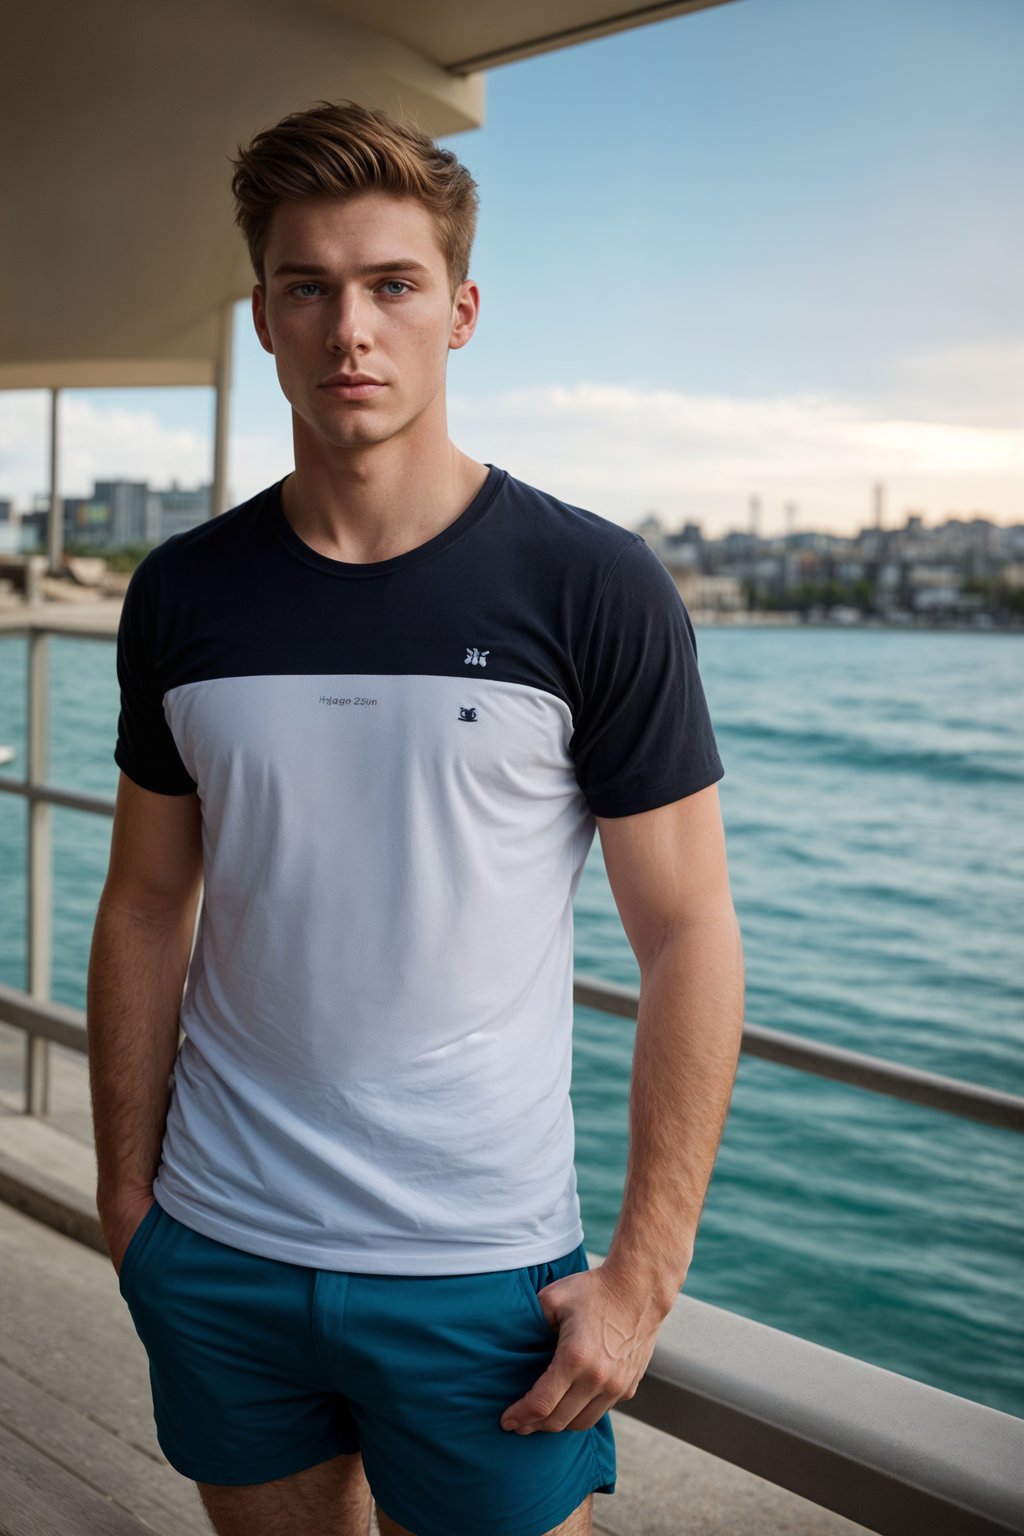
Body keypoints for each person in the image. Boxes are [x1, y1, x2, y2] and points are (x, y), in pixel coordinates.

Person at [87, 100, 745, 1536]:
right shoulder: (185, 596)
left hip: (484, 1271)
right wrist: (127, 1200)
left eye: (391, 285)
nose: (350, 331)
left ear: (461, 310)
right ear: (263, 317)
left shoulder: (592, 587)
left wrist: (642, 1278)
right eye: (306, 288)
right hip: (217, 1244)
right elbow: (145, 900)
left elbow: (688, 932)